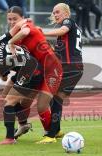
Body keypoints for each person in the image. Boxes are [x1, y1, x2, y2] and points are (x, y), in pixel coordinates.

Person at [4, 6, 63, 141]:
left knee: (41, 105)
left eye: (15, 19)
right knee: (24, 103)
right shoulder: (15, 34)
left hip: (52, 69)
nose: (12, 22)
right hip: (38, 71)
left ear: (22, 18)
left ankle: (50, 134)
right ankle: (24, 126)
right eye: (9, 19)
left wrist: (11, 43)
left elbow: (25, 32)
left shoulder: (26, 25)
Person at [38, 3, 84, 144]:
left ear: (66, 13)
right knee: (56, 99)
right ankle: (55, 131)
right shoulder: (68, 32)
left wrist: (41, 32)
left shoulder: (68, 22)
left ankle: (51, 135)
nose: (55, 15)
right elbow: (59, 51)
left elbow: (62, 30)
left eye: (57, 12)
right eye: (54, 12)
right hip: (73, 68)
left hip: (71, 67)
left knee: (56, 99)